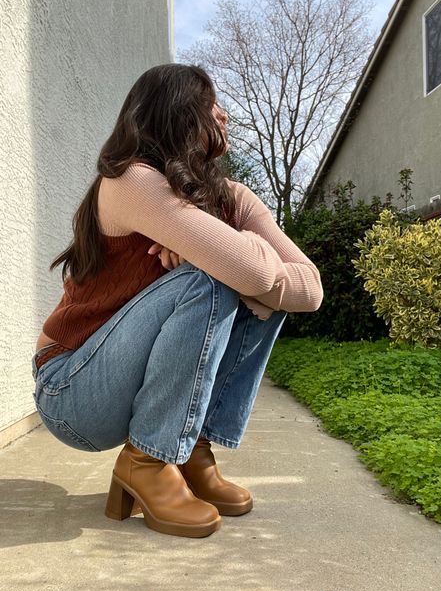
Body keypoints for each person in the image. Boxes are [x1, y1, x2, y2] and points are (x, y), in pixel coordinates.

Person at [31, 63, 323, 539]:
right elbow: (253, 272)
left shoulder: (235, 199)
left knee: (233, 278)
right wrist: (221, 258)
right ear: (178, 113)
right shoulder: (131, 181)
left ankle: (191, 452)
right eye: (212, 105)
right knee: (211, 280)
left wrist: (218, 247)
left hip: (116, 377)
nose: (225, 116)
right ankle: (147, 461)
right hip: (71, 387)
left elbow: (310, 288)